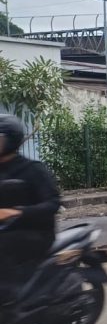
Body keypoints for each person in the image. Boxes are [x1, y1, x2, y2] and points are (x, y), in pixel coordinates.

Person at [0, 115, 61, 306]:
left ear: (10, 140)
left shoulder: (33, 169)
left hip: (37, 233)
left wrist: (16, 212)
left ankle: (11, 299)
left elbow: (53, 203)